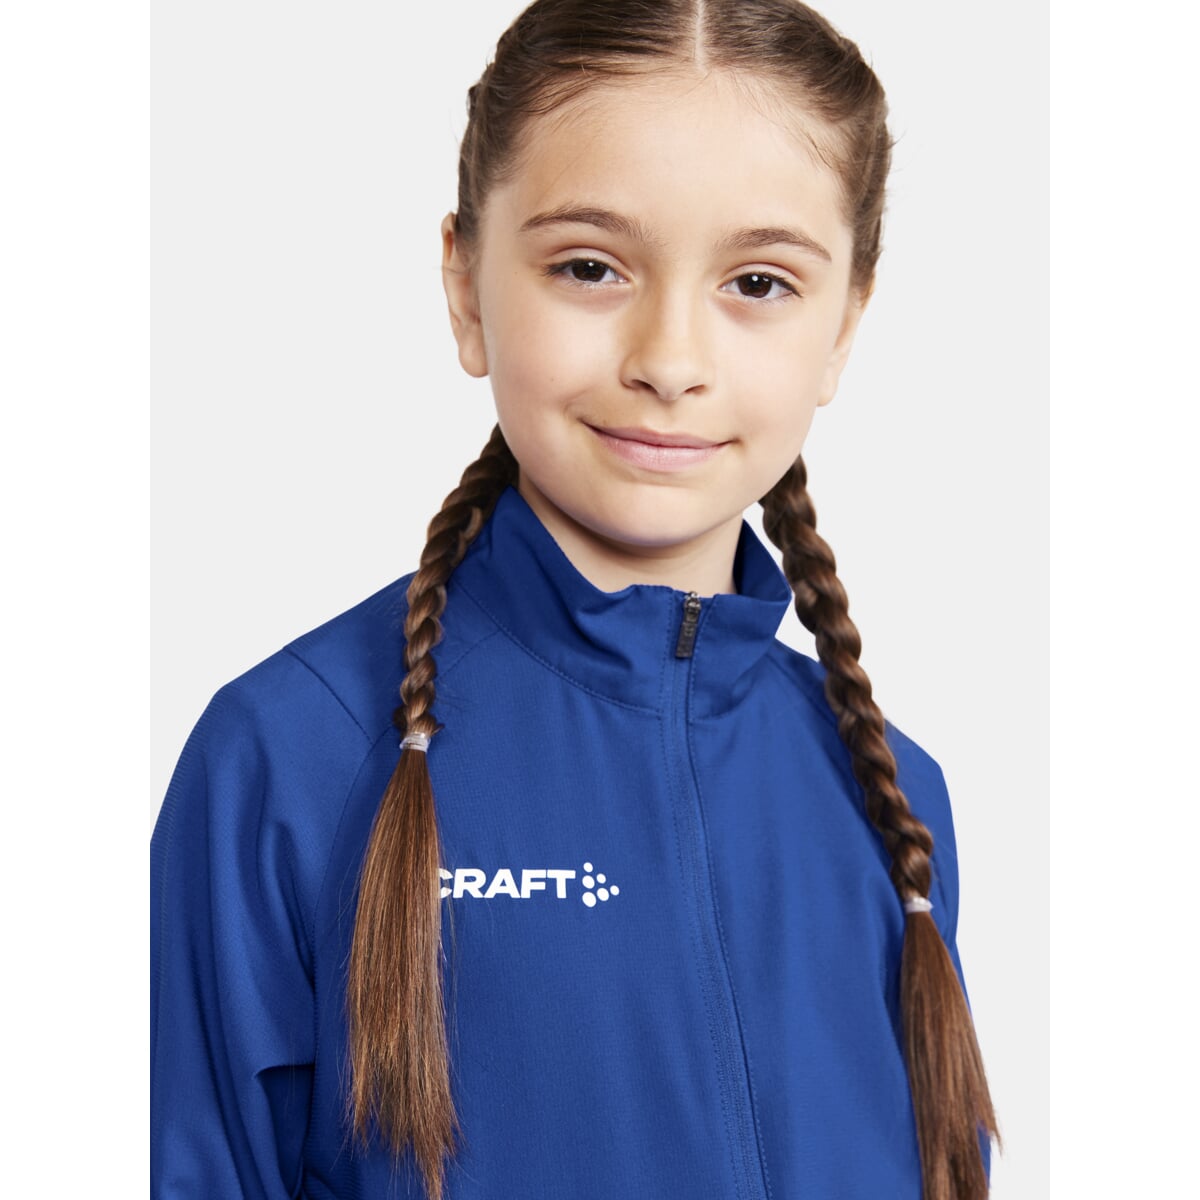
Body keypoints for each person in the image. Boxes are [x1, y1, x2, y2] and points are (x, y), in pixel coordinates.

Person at [150, 1, 999, 1197]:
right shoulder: (290, 759)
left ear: (845, 325)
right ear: (465, 286)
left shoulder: (893, 794)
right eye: (590, 267)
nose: (670, 359)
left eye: (758, 282)